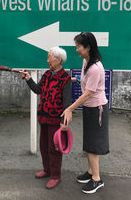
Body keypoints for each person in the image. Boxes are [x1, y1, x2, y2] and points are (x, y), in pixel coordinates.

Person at [61, 32, 109, 194]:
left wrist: (69, 108)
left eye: (78, 47)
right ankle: (90, 172)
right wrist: (71, 80)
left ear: (88, 47)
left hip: (97, 109)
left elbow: (88, 93)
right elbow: (85, 81)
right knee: (89, 142)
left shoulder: (96, 68)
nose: (76, 50)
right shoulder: (86, 61)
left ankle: (97, 179)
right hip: (90, 108)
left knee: (93, 145)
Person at [21, 46, 71, 189]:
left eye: (50, 57)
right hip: (43, 117)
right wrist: (28, 79)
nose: (47, 60)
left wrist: (64, 122)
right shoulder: (47, 75)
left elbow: (67, 103)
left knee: (54, 148)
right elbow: (38, 90)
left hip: (56, 119)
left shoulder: (65, 78)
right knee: (43, 146)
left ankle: (55, 175)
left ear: (59, 60)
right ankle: (47, 170)